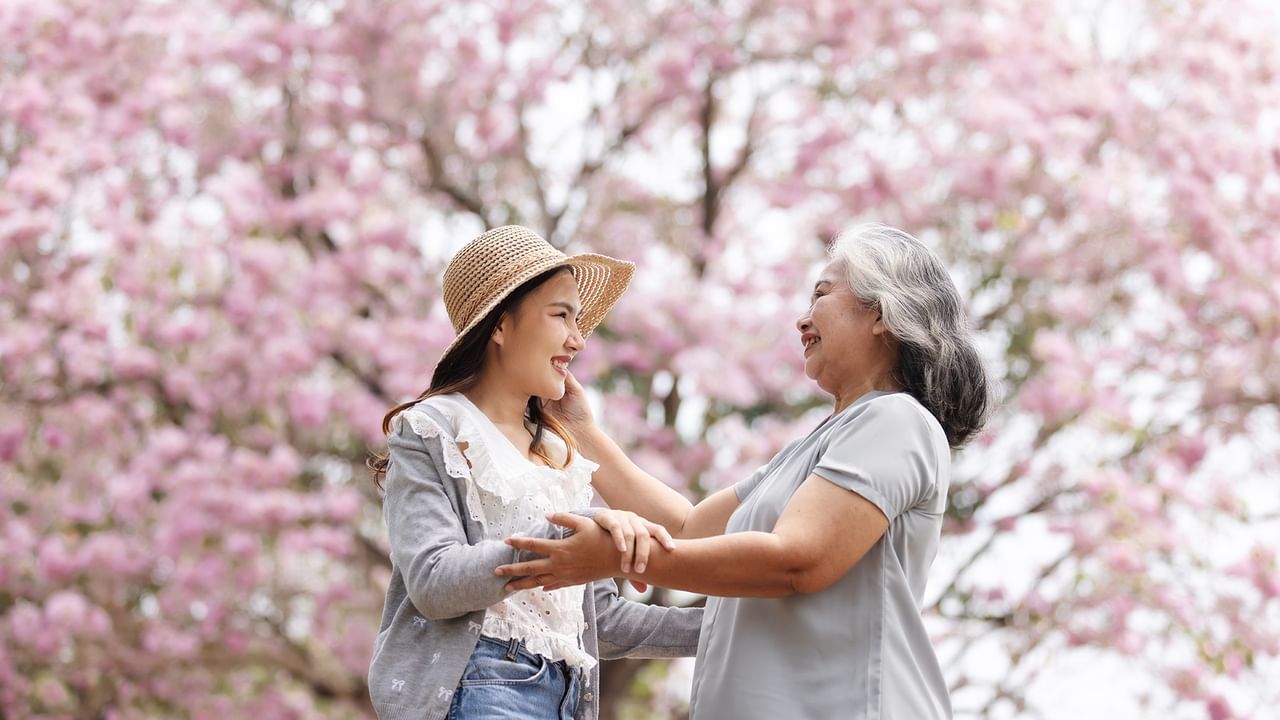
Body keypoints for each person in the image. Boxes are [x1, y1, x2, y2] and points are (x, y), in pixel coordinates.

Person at [497, 223, 993, 719]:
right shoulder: (814, 448)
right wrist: (582, 431)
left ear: (881, 313)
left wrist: (619, 559)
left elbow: (798, 560)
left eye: (821, 294)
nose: (801, 320)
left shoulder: (895, 419)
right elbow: (687, 528)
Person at [367, 225, 701, 720]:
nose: (578, 340)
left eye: (579, 319)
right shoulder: (431, 429)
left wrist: (730, 622)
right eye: (561, 315)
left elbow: (601, 622)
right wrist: (563, 538)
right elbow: (434, 581)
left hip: (569, 697)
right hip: (481, 686)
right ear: (500, 326)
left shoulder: (560, 453)